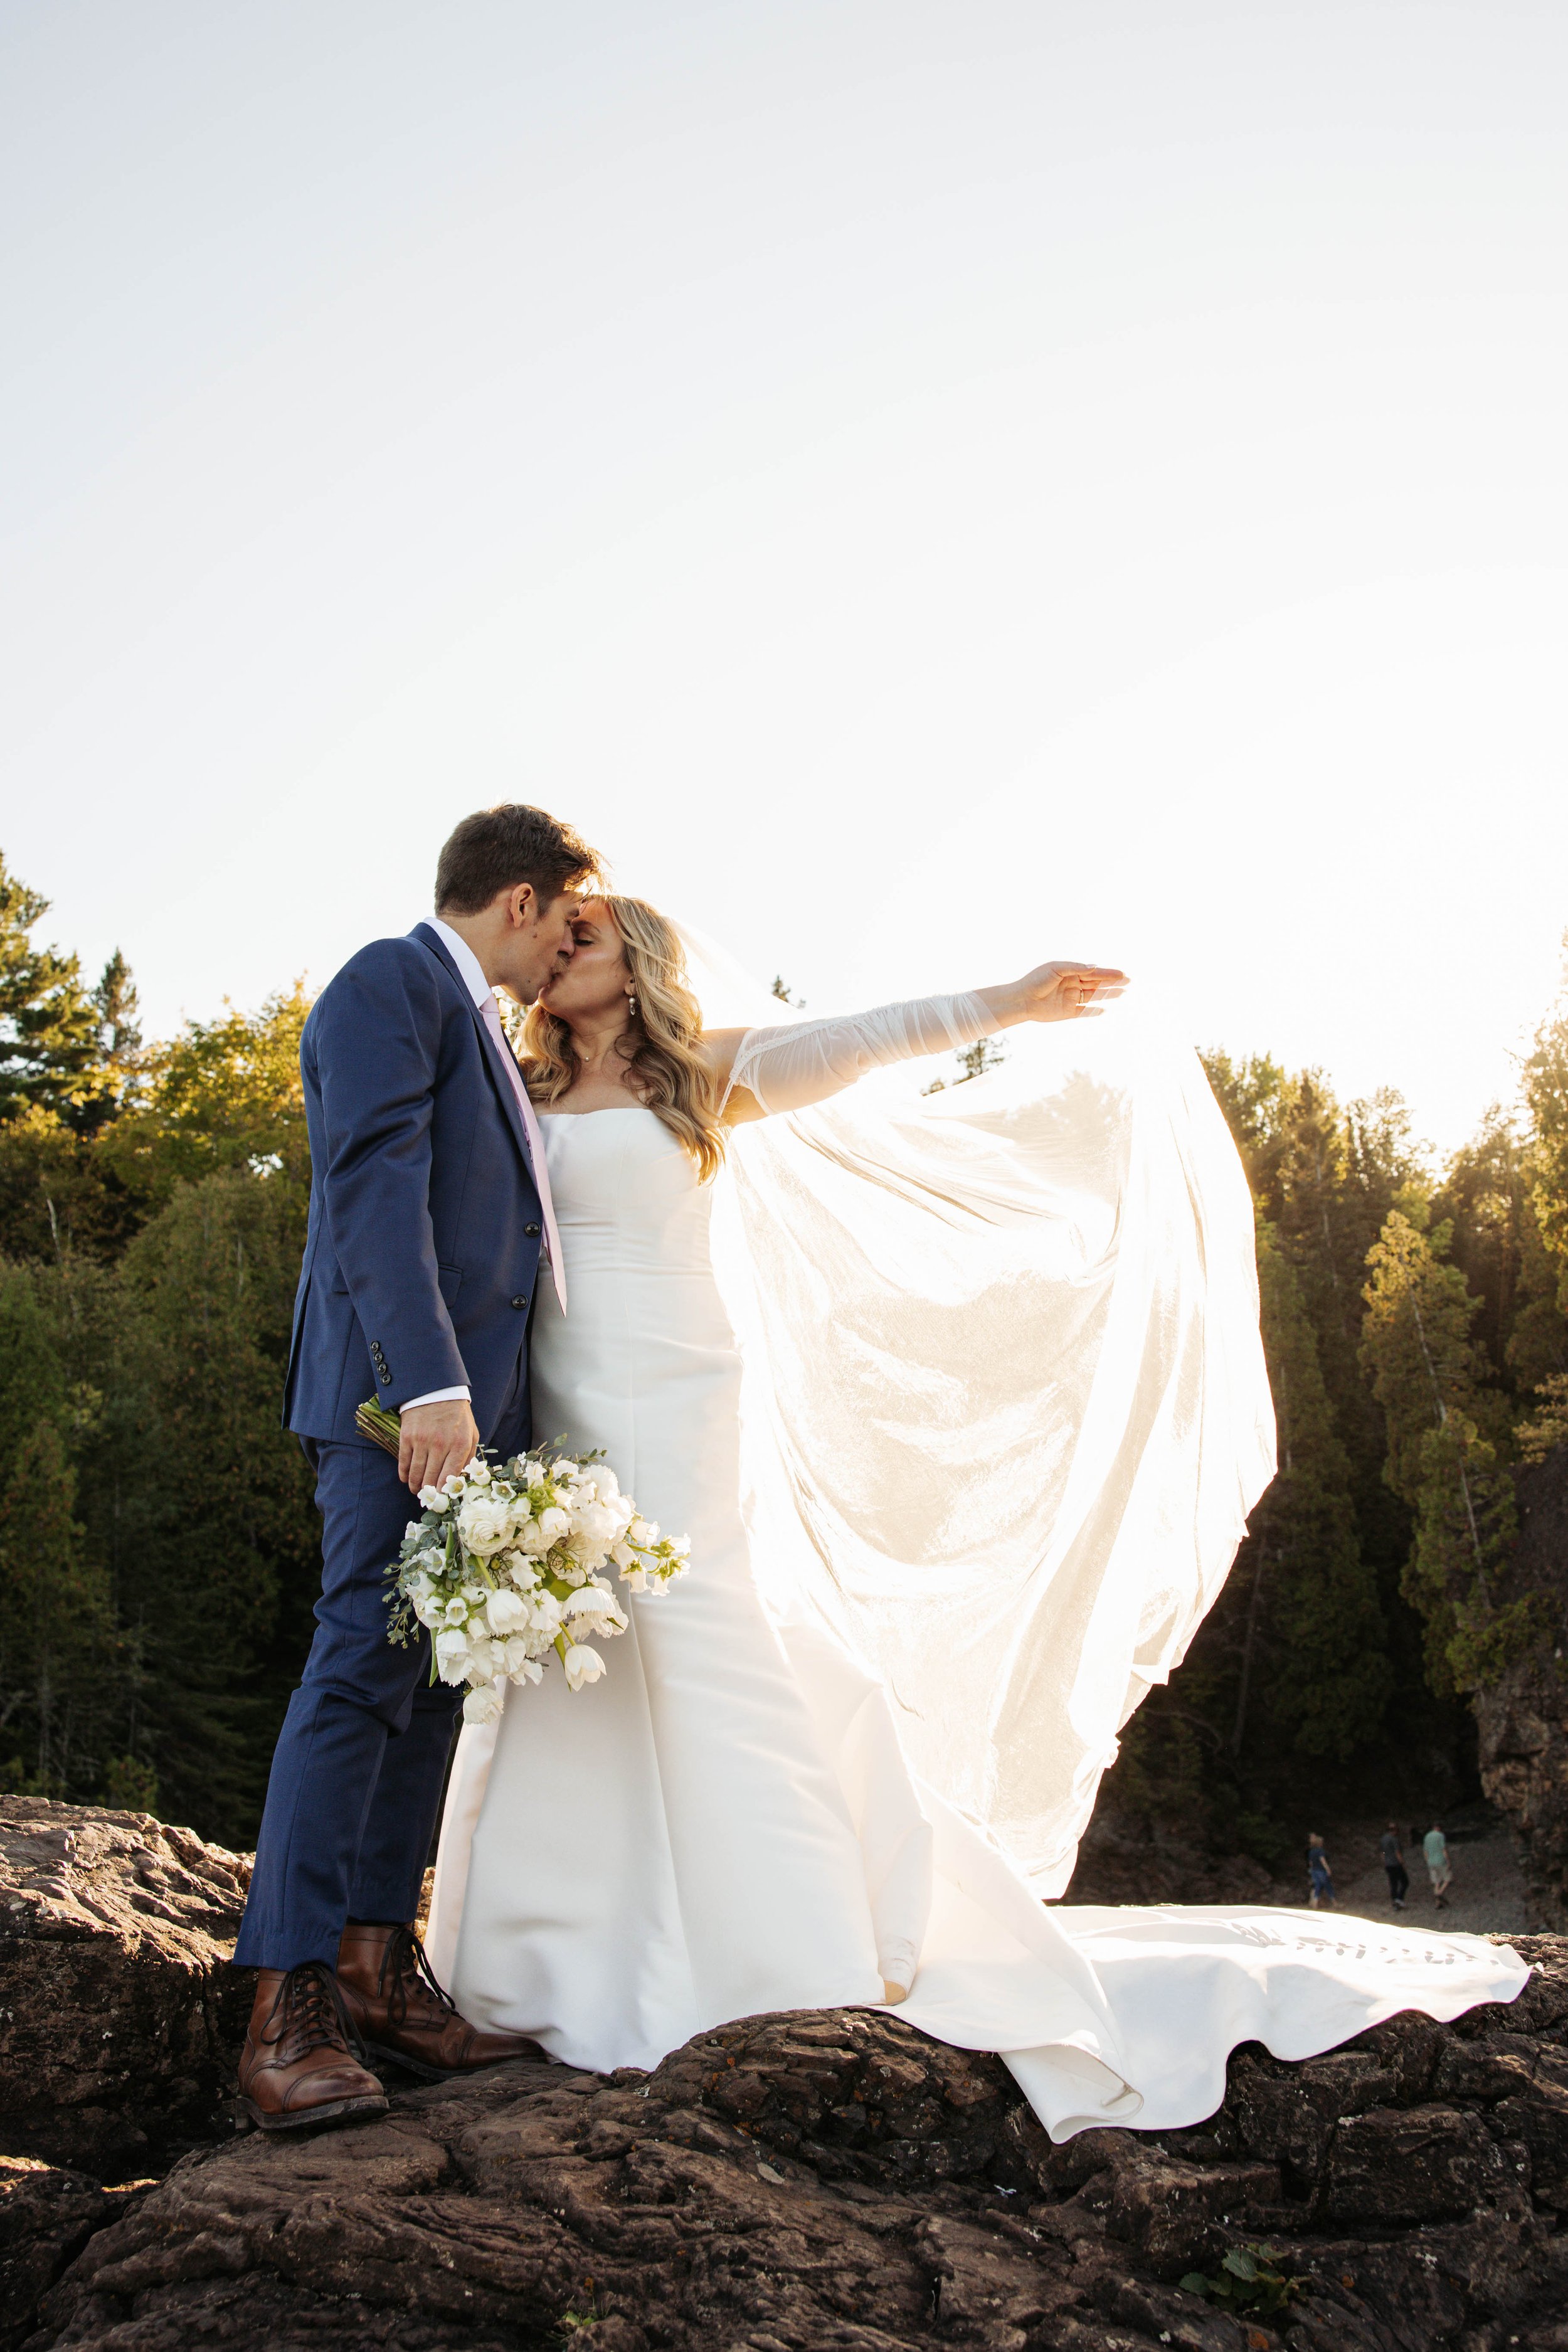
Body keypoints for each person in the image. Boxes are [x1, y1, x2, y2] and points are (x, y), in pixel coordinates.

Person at [426, 895, 1528, 2144]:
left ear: (637, 963)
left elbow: (860, 1040)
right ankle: (547, 1959)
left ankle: (779, 1951)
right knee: (581, 1657)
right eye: (552, 936)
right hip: (560, 1404)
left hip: (685, 1398)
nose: (561, 949)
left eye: (589, 934)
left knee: (711, 1644)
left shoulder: (703, 1073)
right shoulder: (506, 1078)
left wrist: (1007, 1000)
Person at [231, 805, 598, 2131]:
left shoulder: (478, 1022)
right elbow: (372, 1182)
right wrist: (428, 1384)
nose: (570, 947)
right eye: (568, 920)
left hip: (467, 1421)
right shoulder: (388, 981)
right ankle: (284, 2007)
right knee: (354, 1669)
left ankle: (378, 1971)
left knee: (430, 1683)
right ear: (518, 902)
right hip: (402, 1407)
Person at [1424, 1822, 1454, 1909]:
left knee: (1437, 1882)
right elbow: (1443, 1850)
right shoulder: (1440, 1836)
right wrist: (1448, 1861)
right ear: (1439, 1828)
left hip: (1431, 1862)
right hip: (1440, 1861)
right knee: (1448, 1879)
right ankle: (1439, 1894)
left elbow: (1425, 1851)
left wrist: (1428, 1861)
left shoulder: (1427, 1836)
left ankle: (1438, 1904)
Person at [1380, 1823, 1409, 1909]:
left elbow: (1383, 1852)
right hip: (1396, 1864)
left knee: (1393, 1884)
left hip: (1388, 1864)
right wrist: (1403, 1863)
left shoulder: (1384, 1839)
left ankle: (1394, 1900)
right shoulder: (1394, 1839)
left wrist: (1384, 1861)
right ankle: (1399, 1899)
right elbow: (1397, 1853)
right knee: (1405, 1882)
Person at [1306, 1833, 1335, 1909]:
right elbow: (1323, 1860)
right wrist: (1328, 1869)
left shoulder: (1311, 1852)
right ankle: (1334, 1903)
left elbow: (1311, 1863)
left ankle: (1314, 1903)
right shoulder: (1320, 1851)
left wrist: (1312, 1870)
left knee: (1317, 1886)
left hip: (1314, 1871)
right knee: (1327, 1885)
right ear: (1320, 1843)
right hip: (1321, 1871)